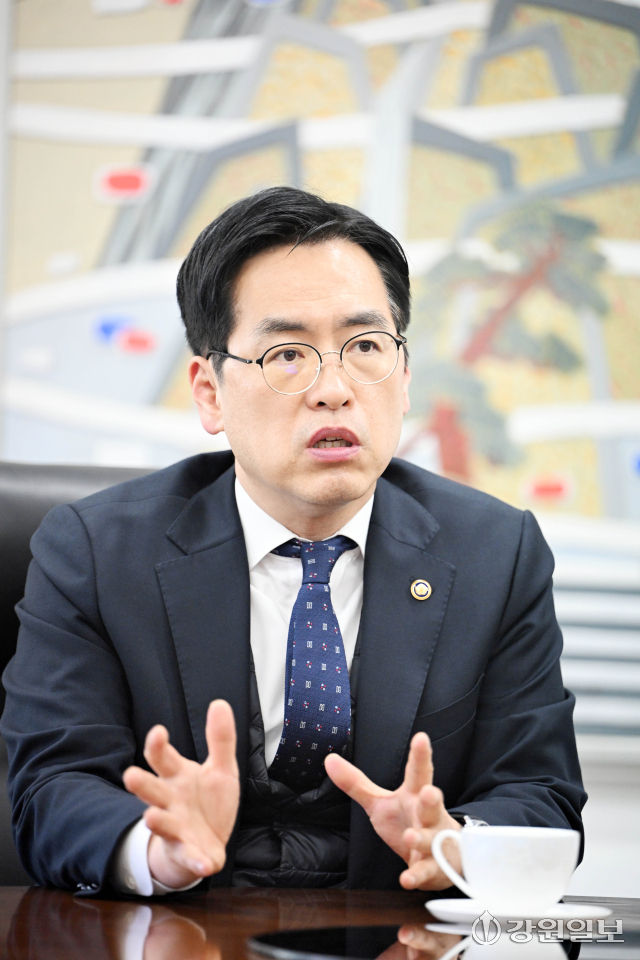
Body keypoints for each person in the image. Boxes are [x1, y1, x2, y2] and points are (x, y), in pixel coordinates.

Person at [1, 187, 585, 897]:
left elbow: (540, 793)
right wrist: (159, 850)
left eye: (365, 347)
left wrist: (460, 846)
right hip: (180, 931)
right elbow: (51, 791)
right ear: (210, 392)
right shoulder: (94, 553)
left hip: (397, 932)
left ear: (403, 378)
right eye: (287, 354)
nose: (334, 389)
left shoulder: (496, 553)